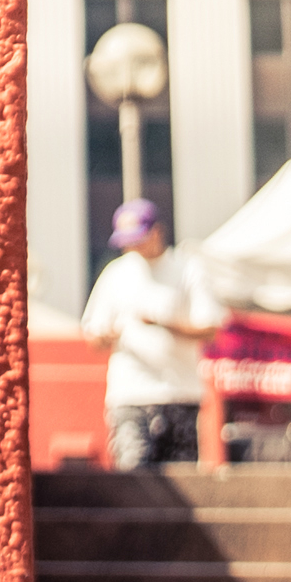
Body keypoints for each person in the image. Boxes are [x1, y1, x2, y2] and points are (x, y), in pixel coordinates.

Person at [82, 197, 220, 470]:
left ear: (157, 231)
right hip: (130, 394)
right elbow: (92, 335)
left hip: (179, 394)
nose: (132, 246)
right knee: (133, 477)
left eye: (138, 238)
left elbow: (210, 327)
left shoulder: (187, 269)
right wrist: (107, 335)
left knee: (181, 483)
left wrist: (163, 323)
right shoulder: (116, 274)